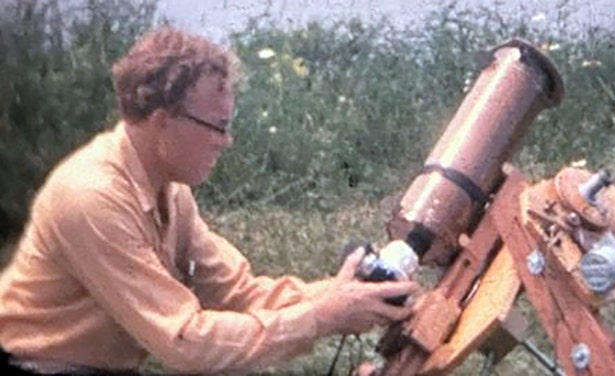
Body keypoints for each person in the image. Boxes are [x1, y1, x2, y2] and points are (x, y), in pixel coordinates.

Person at [0, 26, 419, 375]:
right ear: (163, 123)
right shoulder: (92, 197)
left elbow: (239, 292)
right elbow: (186, 341)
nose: (226, 141)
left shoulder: (169, 190)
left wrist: (342, 293)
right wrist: (324, 317)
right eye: (217, 126)